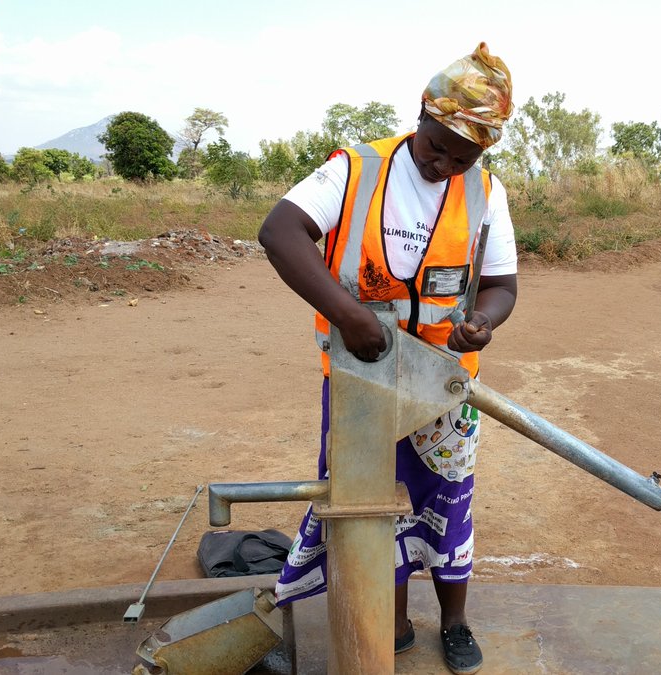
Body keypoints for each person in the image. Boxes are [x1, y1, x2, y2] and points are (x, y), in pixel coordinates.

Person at [257, 42, 516, 675]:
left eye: (464, 157)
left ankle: (453, 622)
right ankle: (389, 620)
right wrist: (349, 316)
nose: (445, 165)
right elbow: (280, 232)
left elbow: (502, 286)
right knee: (367, 504)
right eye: (437, 147)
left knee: (448, 500)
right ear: (421, 114)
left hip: (446, 387)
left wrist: (481, 322)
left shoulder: (484, 190)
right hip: (360, 382)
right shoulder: (356, 169)